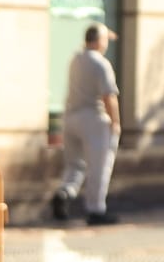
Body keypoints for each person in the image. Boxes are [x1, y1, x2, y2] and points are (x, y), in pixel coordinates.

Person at [51, 23, 121, 226]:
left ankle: (64, 192)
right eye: (106, 40)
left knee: (75, 165)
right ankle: (96, 209)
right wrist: (115, 122)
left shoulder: (76, 59)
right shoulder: (101, 63)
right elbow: (109, 96)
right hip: (94, 119)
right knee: (100, 166)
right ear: (99, 41)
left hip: (71, 118)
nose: (107, 44)